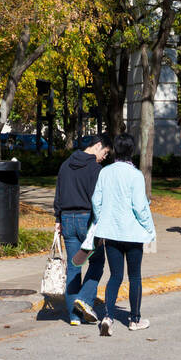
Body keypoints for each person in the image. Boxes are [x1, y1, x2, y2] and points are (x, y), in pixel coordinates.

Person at [91, 133, 156, 335]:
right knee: (134, 275)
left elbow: (96, 201)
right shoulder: (135, 175)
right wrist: (149, 229)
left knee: (115, 276)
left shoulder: (105, 172)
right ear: (131, 151)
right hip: (133, 233)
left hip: (111, 232)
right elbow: (140, 206)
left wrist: (103, 219)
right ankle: (134, 319)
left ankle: (108, 317)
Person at [53, 133, 112, 326]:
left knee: (74, 266)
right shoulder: (96, 169)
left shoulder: (64, 165)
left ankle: (73, 316)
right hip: (87, 221)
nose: (105, 157)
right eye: (105, 152)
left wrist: (57, 218)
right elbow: (99, 199)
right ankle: (85, 299)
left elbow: (58, 194)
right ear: (98, 145)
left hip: (67, 219)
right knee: (96, 262)